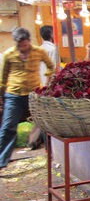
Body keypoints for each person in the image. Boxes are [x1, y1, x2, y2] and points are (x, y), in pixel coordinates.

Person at [0, 27, 55, 171]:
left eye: (25, 45)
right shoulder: (9, 55)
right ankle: (1, 161)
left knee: (45, 125)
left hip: (33, 95)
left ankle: (51, 156)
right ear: (16, 44)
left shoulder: (39, 52)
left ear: (29, 42)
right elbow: (3, 78)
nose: (23, 48)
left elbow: (50, 65)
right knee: (8, 128)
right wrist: (1, 97)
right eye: (20, 46)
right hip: (14, 95)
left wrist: (47, 83)